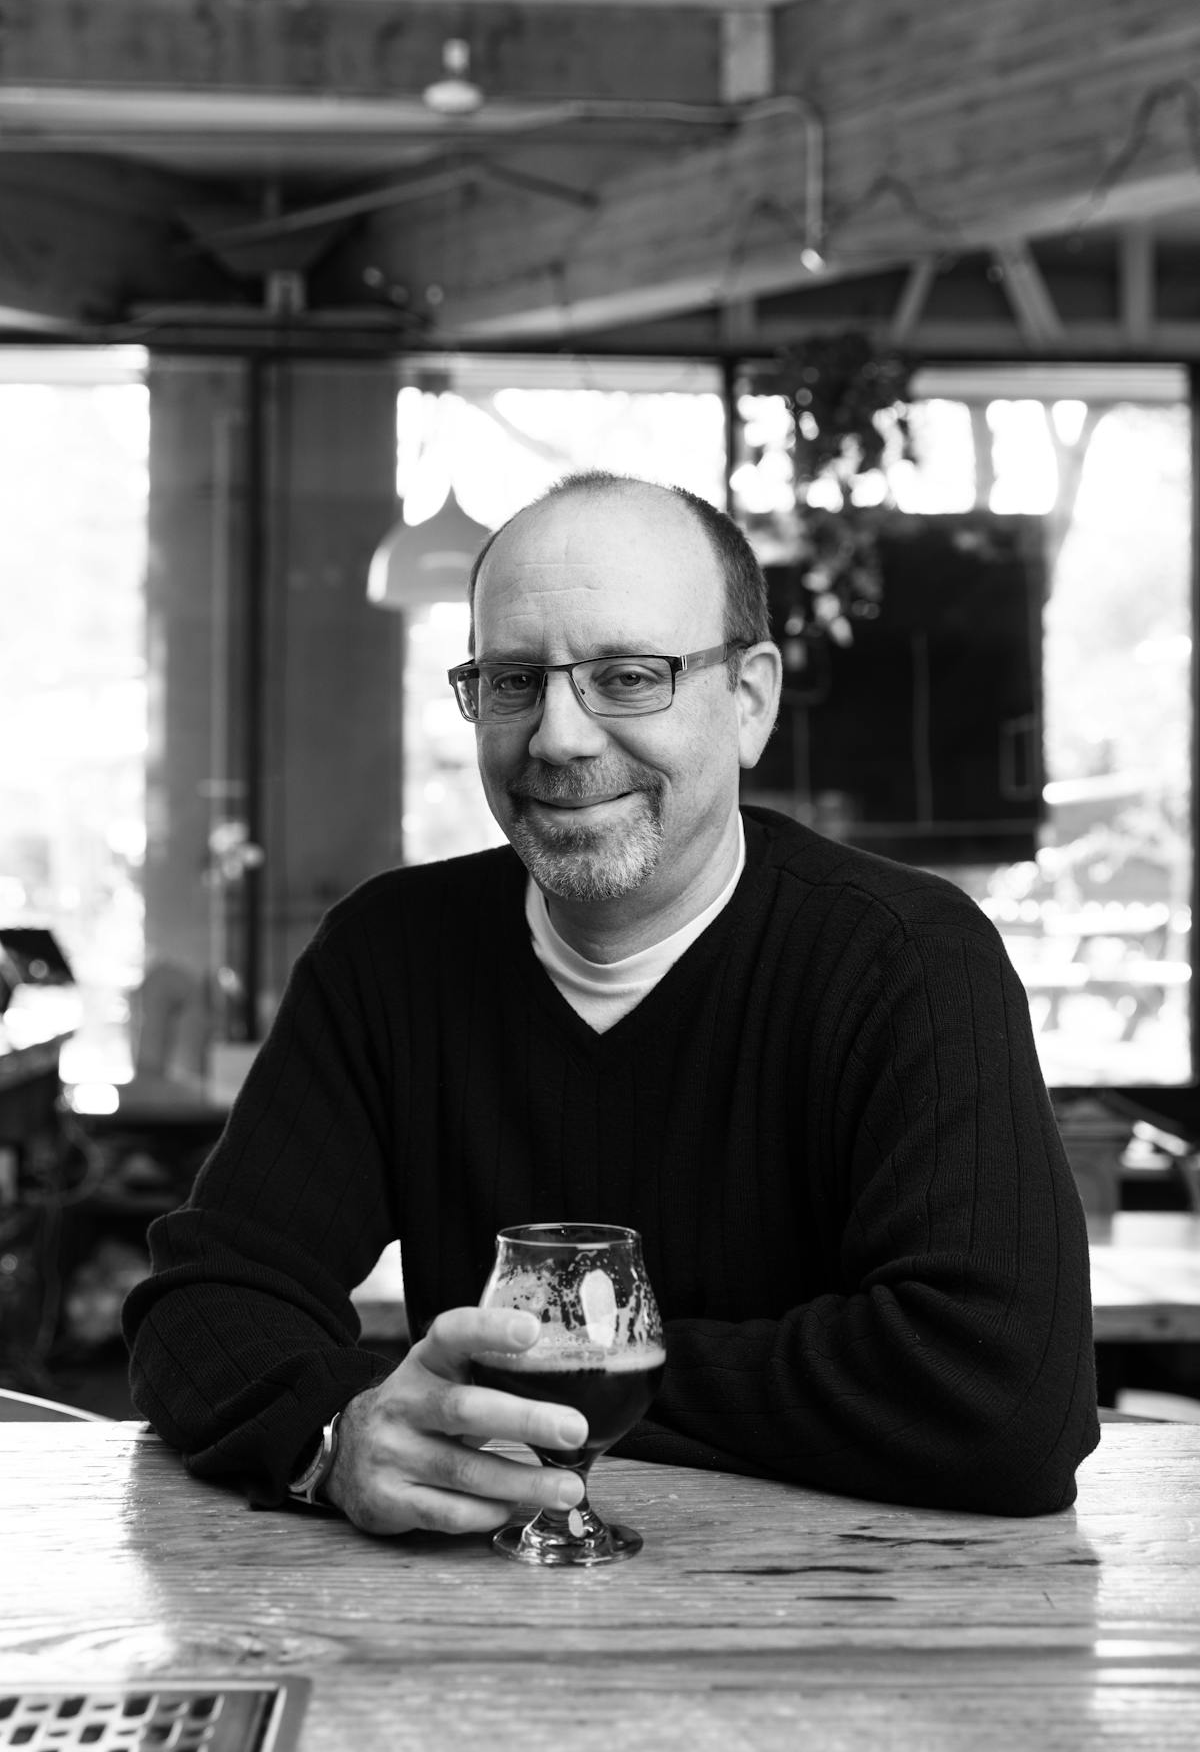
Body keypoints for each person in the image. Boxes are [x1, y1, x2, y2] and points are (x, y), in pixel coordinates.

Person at [123, 471, 1099, 1533]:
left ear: (751, 700)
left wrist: (538, 1390)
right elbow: (205, 1302)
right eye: (512, 680)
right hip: (478, 1627)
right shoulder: (390, 955)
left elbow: (1008, 1398)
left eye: (629, 676)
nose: (559, 738)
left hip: (838, 1635)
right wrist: (332, 1436)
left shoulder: (908, 959)